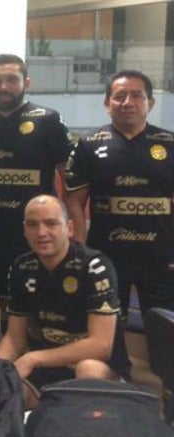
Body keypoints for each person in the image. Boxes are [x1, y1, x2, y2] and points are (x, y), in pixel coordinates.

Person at [0, 195, 130, 409]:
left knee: (87, 370)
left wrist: (33, 358)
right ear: (24, 230)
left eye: (51, 223)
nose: (41, 233)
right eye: (32, 224)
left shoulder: (95, 266)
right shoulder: (21, 267)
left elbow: (101, 346)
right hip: (46, 368)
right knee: (4, 394)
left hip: (96, 365)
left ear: (70, 228)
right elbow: (14, 338)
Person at [64, 70, 174, 320]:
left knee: (165, 329)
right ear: (107, 104)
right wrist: (80, 251)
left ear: (150, 103)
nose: (128, 102)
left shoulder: (169, 143)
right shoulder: (88, 144)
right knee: (108, 328)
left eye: (136, 95)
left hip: (161, 257)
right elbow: (74, 202)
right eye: (120, 96)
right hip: (106, 256)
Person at [0, 54, 73, 317]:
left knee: (44, 300)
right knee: (6, 300)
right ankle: (11, 343)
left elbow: (68, 178)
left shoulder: (48, 120)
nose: (3, 87)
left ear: (26, 82)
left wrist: (69, 224)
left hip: (38, 231)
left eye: (11, 79)